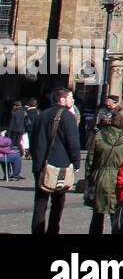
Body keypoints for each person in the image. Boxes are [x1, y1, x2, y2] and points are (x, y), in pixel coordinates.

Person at [30, 87, 80, 235]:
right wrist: (76, 162)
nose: (73, 100)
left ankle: (37, 231)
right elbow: (73, 142)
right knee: (58, 202)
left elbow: (34, 138)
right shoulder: (67, 116)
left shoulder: (42, 114)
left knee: (40, 201)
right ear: (62, 99)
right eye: (71, 98)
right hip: (59, 164)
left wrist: (36, 158)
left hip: (40, 163)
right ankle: (53, 230)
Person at [86, 107, 123, 234]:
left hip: (99, 178)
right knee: (117, 217)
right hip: (119, 181)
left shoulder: (99, 135)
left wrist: (89, 178)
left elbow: (90, 160)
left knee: (97, 216)